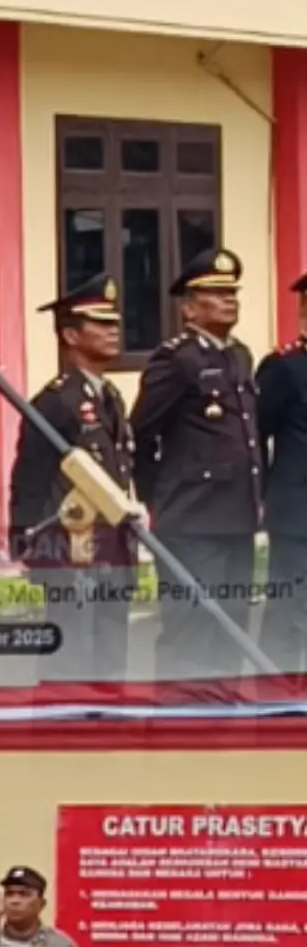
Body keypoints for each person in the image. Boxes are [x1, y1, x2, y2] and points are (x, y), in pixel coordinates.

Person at [132, 248, 262, 681]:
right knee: (191, 633)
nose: (230, 300)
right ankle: (178, 730)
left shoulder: (239, 356)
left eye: (232, 292)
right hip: (191, 521)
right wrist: (160, 499)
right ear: (189, 307)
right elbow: (142, 432)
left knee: (231, 629)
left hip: (237, 519)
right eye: (216, 293)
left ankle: (223, 728)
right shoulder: (177, 359)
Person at [8, 273, 137, 682]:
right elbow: (30, 475)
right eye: (100, 323)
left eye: (114, 321)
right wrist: (24, 538)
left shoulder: (110, 397)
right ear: (70, 335)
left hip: (113, 546)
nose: (113, 330)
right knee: (71, 659)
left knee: (112, 656)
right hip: (71, 550)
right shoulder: (57, 401)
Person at [255, 271, 307, 670]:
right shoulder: (284, 368)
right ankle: (281, 698)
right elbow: (253, 435)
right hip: (298, 512)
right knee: (290, 610)